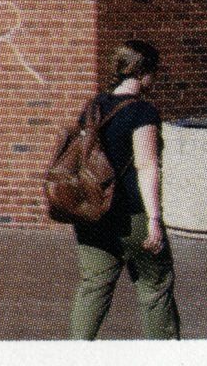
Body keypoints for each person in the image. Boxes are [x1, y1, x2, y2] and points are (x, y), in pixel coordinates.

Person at [68, 40, 180, 339]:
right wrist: (154, 221)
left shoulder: (92, 107)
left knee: (92, 290)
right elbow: (147, 167)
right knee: (155, 289)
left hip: (92, 214)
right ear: (142, 72)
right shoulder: (142, 113)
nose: (154, 79)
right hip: (132, 216)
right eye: (153, 72)